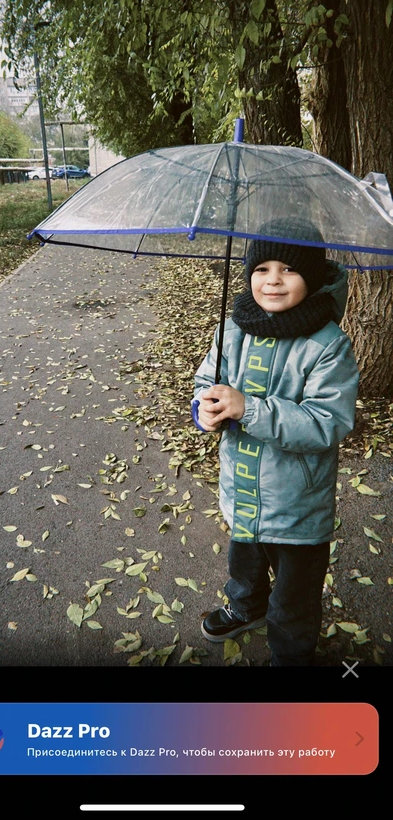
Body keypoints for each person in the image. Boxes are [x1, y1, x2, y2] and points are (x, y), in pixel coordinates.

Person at [192, 217, 360, 666]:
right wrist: (205, 407)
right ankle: (246, 607)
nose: (273, 280)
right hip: (243, 485)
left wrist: (251, 408)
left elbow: (328, 422)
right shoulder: (235, 328)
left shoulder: (328, 345)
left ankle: (292, 651)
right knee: (243, 562)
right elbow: (209, 377)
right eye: (262, 268)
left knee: (294, 594)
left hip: (297, 501)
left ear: (314, 275)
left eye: (289, 268)